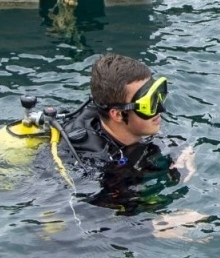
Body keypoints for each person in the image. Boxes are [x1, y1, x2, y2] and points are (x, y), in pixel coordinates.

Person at [57, 53, 198, 213]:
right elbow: (93, 218)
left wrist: (180, 147)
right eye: (148, 104)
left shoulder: (121, 119)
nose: (160, 109)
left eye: (157, 96)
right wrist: (159, 224)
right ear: (117, 114)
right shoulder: (98, 166)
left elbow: (159, 137)